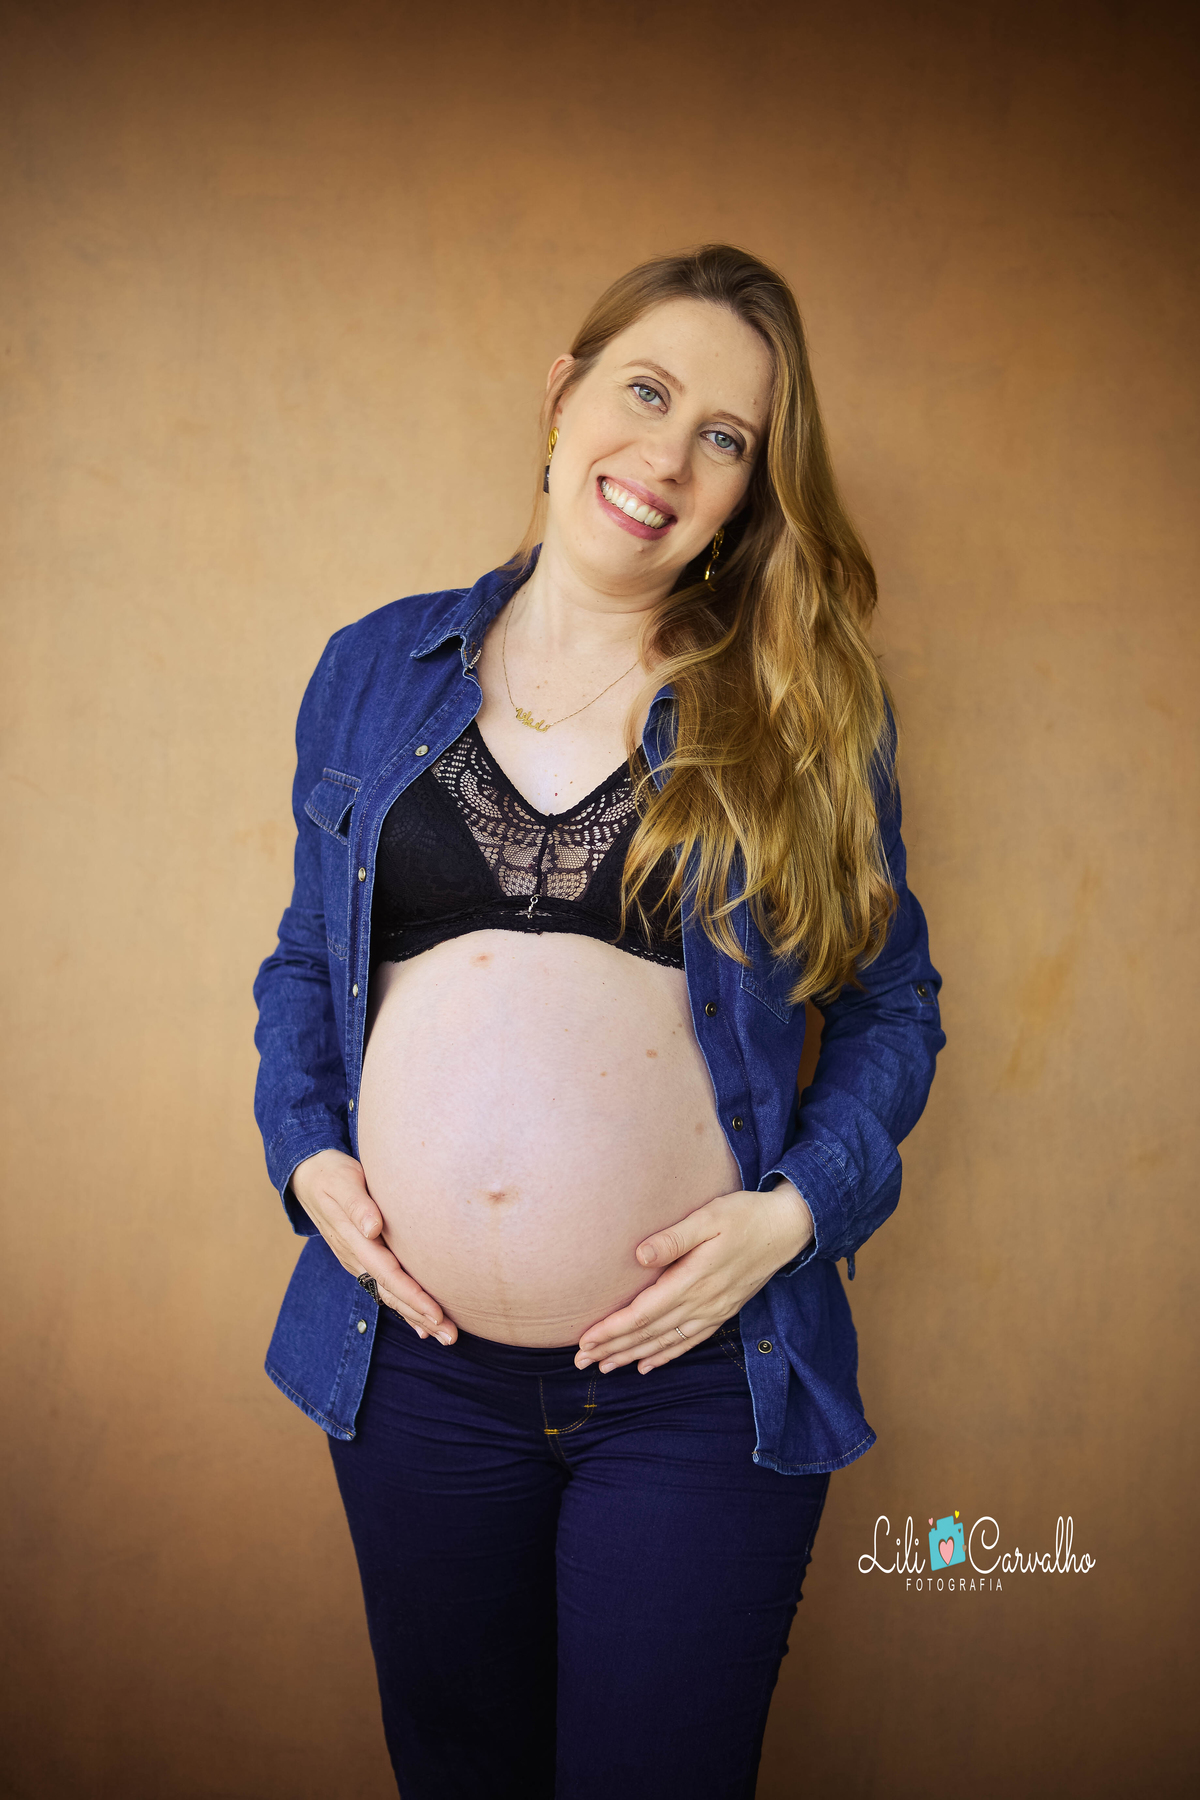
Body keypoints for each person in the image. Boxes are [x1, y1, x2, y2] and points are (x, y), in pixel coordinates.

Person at [253, 243, 944, 1800]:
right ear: (564, 401)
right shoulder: (373, 667)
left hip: (698, 1387)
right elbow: (306, 958)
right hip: (411, 1371)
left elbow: (895, 1003)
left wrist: (794, 1218)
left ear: (751, 496)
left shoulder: (802, 708)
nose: (672, 455)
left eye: (728, 438)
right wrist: (306, 1159)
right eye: (648, 391)